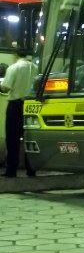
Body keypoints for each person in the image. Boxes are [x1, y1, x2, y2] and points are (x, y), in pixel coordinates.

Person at [1, 49, 37, 178]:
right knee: (29, 137)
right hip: (31, 105)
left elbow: (6, 87)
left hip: (15, 105)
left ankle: (12, 170)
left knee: (12, 139)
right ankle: (31, 169)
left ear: (15, 55)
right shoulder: (35, 67)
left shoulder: (14, 67)